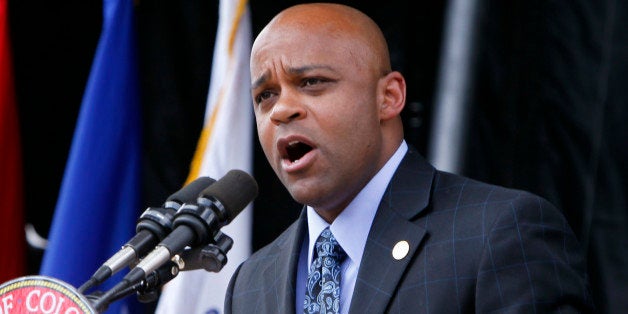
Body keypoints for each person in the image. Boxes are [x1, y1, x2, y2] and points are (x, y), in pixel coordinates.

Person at [225, 3, 594, 313]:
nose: (281, 110)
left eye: (311, 83)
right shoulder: (250, 282)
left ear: (389, 97)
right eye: (265, 96)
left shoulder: (501, 234)